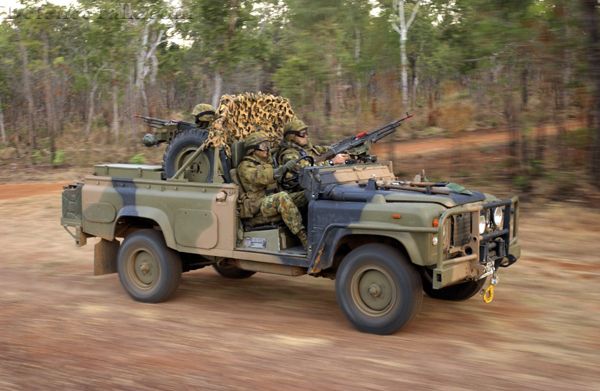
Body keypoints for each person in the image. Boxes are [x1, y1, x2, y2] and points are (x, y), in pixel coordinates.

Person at [237, 131, 309, 249]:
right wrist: (283, 168)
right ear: (253, 150)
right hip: (258, 207)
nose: (267, 149)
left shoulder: (268, 162)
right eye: (263, 146)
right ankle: (304, 239)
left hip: (269, 202)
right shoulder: (245, 166)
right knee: (282, 197)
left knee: (306, 195)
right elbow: (262, 177)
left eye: (268, 146)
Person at [277, 117, 349, 191]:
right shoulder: (289, 155)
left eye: (306, 132)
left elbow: (327, 150)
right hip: (299, 192)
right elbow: (307, 170)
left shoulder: (307, 148)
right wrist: (332, 162)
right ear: (291, 137)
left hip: (312, 186)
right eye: (302, 134)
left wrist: (345, 150)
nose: (306, 136)